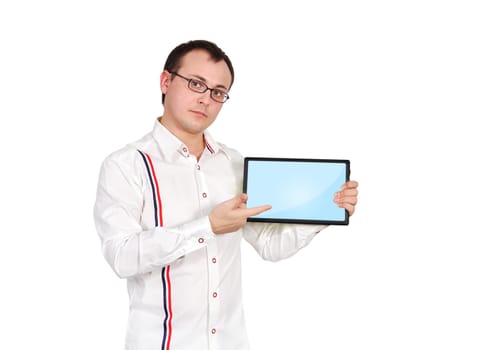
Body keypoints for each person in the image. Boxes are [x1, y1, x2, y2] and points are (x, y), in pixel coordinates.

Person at [93, 39, 359, 350]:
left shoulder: (232, 164)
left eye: (218, 92)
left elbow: (270, 245)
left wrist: (326, 209)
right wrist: (208, 226)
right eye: (196, 84)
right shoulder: (127, 166)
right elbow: (122, 258)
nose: (205, 100)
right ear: (166, 81)